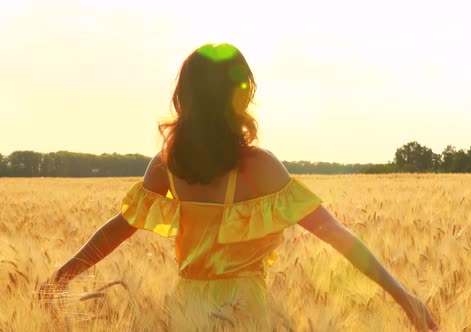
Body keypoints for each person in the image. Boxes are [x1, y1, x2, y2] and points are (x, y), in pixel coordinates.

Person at [39, 43, 438, 331]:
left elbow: (119, 227)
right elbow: (337, 235)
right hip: (246, 314)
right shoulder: (260, 167)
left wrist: (62, 275)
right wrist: (405, 298)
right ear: (240, 97)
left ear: (185, 98)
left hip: (186, 313)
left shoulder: (167, 165)